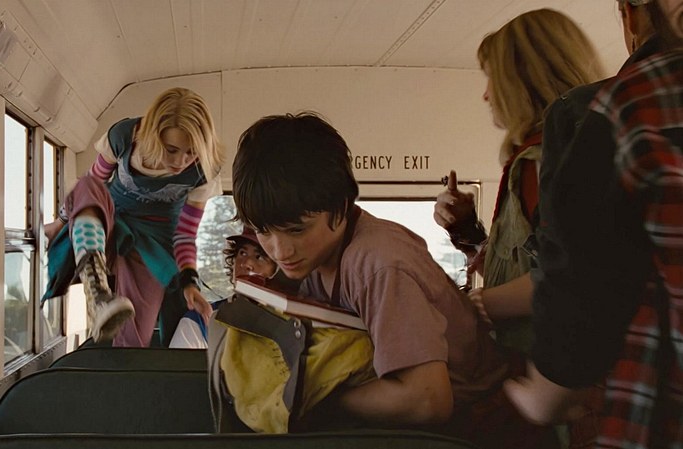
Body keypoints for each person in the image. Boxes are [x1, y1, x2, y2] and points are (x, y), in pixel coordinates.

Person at [229, 112, 556, 448]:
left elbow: (427, 400)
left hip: (491, 431)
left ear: (341, 203)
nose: (280, 250)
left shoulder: (379, 264)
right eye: (263, 232)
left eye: (298, 230)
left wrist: (315, 397)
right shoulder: (314, 257)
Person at [504, 2, 683, 447]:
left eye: (493, 79)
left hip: (643, 398)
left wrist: (550, 385)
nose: (488, 95)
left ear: (632, 14)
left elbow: (581, 274)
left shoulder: (634, 104)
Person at [433, 9, 605, 354]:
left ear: (522, 81)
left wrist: (471, 307)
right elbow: (531, 267)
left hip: (550, 371)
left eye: (492, 78)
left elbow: (572, 277)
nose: (486, 95)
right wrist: (468, 232)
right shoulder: (576, 149)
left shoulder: (545, 161)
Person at [42, 87, 225, 346]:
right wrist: (60, 222)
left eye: (191, 151)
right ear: (153, 135)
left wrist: (190, 282)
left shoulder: (204, 170)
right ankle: (98, 292)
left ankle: (113, 332)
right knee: (88, 184)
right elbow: (92, 184)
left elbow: (185, 234)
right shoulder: (124, 138)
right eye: (171, 149)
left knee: (132, 336)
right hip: (107, 224)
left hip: (153, 243)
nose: (181, 161)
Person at [169, 226, 279, 349]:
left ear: (278, 270)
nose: (246, 263)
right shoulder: (201, 320)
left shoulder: (289, 325)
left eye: (259, 257)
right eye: (242, 253)